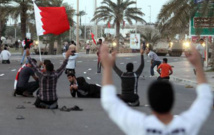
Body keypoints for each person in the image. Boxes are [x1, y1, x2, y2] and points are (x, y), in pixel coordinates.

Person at [100, 44, 213, 135]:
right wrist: (198, 65)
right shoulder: (186, 125)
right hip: (134, 98)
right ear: (172, 100)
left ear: (151, 102)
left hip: (125, 98)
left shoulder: (140, 125)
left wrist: (108, 65)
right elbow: (205, 98)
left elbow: (109, 101)